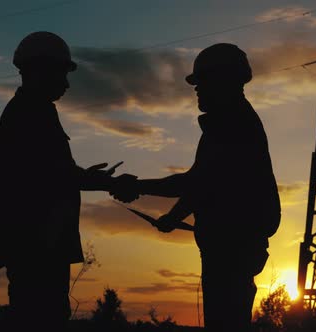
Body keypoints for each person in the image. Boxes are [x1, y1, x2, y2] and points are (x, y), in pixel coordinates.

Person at [115, 43, 281, 331]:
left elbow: (199, 183)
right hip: (230, 246)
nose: (197, 90)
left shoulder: (232, 124)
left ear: (223, 80)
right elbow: (205, 182)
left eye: (202, 82)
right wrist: (174, 214)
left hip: (230, 248)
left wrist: (143, 190)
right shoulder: (231, 122)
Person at [0, 31, 137, 331]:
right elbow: (51, 175)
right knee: (41, 318)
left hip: (41, 245)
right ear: (40, 70)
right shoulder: (29, 113)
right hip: (36, 247)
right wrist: (103, 182)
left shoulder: (35, 111)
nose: (66, 84)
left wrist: (91, 179)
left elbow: (52, 172)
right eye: (61, 74)